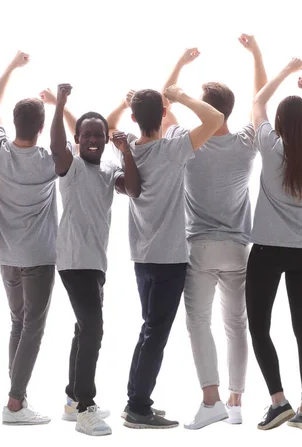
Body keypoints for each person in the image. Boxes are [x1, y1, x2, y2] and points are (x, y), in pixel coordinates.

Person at [159, 34, 266, 430]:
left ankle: (211, 400)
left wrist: (179, 65)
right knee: (236, 324)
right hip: (238, 248)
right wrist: (256, 53)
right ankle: (235, 401)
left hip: (200, 248)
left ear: (203, 109)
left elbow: (163, 106)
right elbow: (261, 99)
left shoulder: (187, 144)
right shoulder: (246, 144)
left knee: (198, 323)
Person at [106, 84, 224, 429]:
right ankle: (138, 405)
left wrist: (123, 102)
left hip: (142, 257)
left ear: (133, 117)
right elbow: (215, 118)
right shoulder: (173, 149)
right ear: (162, 114)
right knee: (155, 333)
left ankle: (136, 401)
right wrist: (182, 98)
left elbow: (109, 122)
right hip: (170, 258)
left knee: (150, 330)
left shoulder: (125, 149)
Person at [47, 83, 141, 436]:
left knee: (84, 328)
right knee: (94, 328)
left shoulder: (107, 168)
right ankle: (86, 407)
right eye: (86, 134)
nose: (92, 139)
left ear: (104, 138)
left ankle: (73, 400)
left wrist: (126, 149)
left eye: (98, 135)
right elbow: (57, 145)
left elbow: (133, 188)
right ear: (77, 138)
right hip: (73, 261)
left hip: (96, 263)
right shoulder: (69, 166)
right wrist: (59, 105)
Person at [245, 58, 302, 431]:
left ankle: (279, 402)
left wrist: (282, 74)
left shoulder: (270, 146)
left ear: (279, 125)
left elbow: (256, 104)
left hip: (266, 251)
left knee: (259, 328)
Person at [0, 50, 54, 425]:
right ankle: (15, 403)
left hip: (7, 256)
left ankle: (18, 395)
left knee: (17, 322)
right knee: (32, 326)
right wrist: (57, 105)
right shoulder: (48, 160)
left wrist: (12, 65)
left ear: (14, 123)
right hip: (39, 257)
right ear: (41, 128)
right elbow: (73, 144)